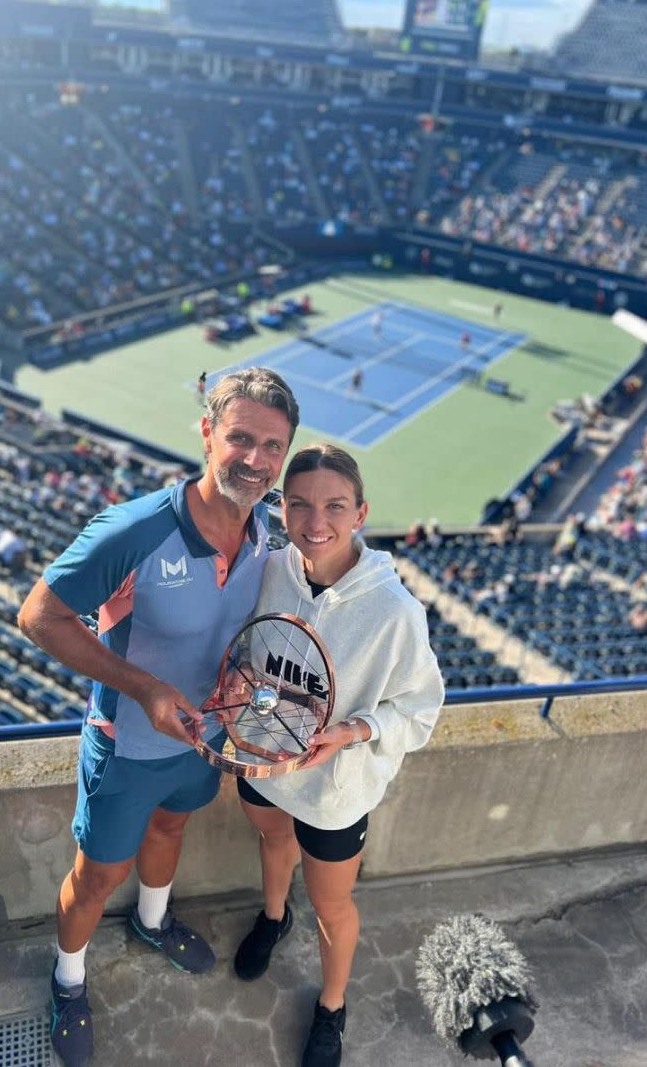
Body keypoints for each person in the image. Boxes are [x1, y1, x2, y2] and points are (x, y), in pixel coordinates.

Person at [18, 367, 299, 1067]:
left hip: (199, 742)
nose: (256, 460)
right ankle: (68, 980)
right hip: (127, 743)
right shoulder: (138, 527)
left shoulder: (265, 527)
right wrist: (142, 687)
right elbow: (38, 615)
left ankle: (152, 921)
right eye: (241, 438)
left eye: (273, 446)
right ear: (207, 433)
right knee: (95, 876)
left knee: (173, 826)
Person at [231, 445, 444, 1067]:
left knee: (331, 905)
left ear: (360, 513)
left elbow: (422, 709)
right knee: (272, 846)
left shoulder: (397, 612)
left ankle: (331, 1005)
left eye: (333, 505)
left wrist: (353, 732)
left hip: (334, 791)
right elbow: (251, 652)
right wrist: (243, 682)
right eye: (298, 504)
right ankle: (273, 918)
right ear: (283, 508)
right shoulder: (272, 569)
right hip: (265, 763)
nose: (314, 520)